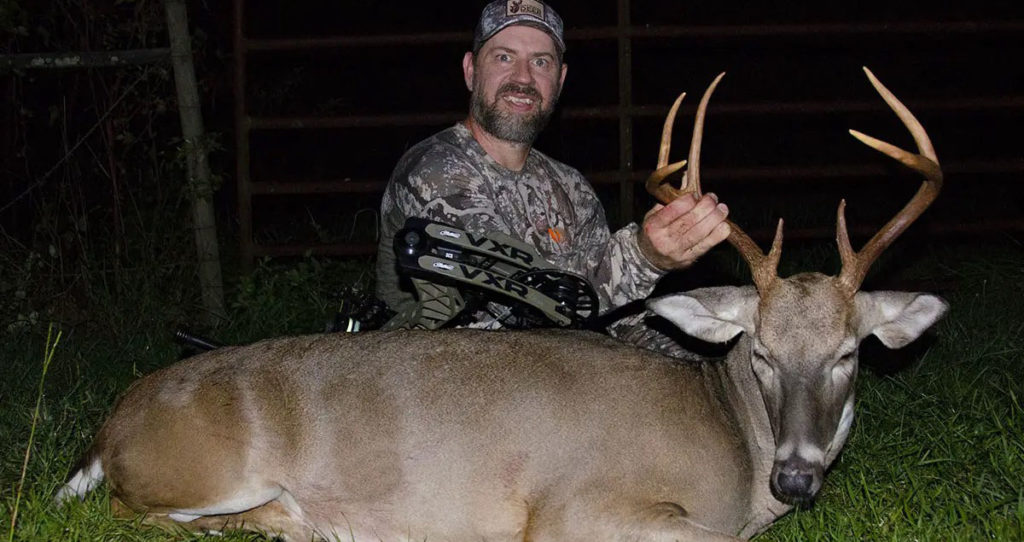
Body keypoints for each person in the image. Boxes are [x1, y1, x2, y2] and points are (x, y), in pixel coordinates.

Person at [375, 0, 730, 352]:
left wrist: (692, 368)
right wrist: (644, 256)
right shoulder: (436, 170)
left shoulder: (571, 187)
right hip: (450, 379)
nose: (523, 78)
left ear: (559, 80)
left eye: (541, 62)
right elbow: (523, 304)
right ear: (470, 71)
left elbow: (614, 317)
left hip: (555, 373)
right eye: (504, 57)